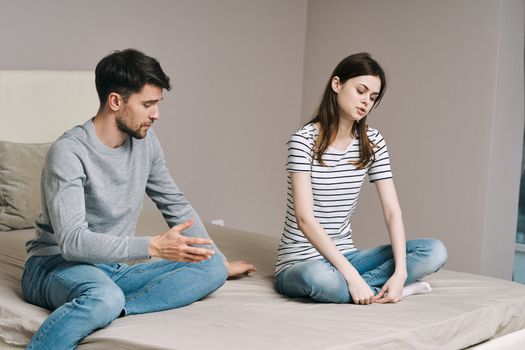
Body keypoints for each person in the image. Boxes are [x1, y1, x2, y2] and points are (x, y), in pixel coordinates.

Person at [22, 49, 255, 349]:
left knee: (211, 269)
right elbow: (72, 242)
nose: (156, 114)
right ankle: (103, 302)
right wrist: (152, 246)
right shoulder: (69, 153)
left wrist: (219, 260)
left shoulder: (146, 144)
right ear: (116, 101)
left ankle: (108, 307)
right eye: (148, 104)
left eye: (157, 104)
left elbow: (175, 203)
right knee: (105, 296)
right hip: (55, 265)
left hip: (112, 267)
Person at [274, 52, 447, 305]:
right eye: (361, 91)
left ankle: (392, 286)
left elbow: (392, 211)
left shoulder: (373, 142)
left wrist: (400, 272)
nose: (366, 101)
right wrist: (351, 276)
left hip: (348, 255)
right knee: (320, 279)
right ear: (337, 84)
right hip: (301, 262)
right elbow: (304, 218)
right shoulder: (303, 141)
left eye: (373, 97)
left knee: (434, 251)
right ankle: (376, 287)